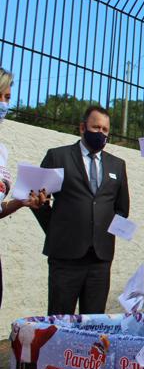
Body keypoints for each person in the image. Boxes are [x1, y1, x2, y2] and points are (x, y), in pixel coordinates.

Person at [31, 105, 130, 315]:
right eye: (96, 127)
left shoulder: (117, 165)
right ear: (82, 127)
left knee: (93, 324)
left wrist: (106, 233)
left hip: (100, 261)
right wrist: (56, 229)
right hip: (65, 258)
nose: (100, 133)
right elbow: (36, 200)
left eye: (105, 130)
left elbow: (122, 209)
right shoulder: (58, 157)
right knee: (59, 321)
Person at [0, 68, 44, 309]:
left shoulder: (1, 150)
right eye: (1, 96)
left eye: (8, 98)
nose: (5, 104)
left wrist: (20, 202)